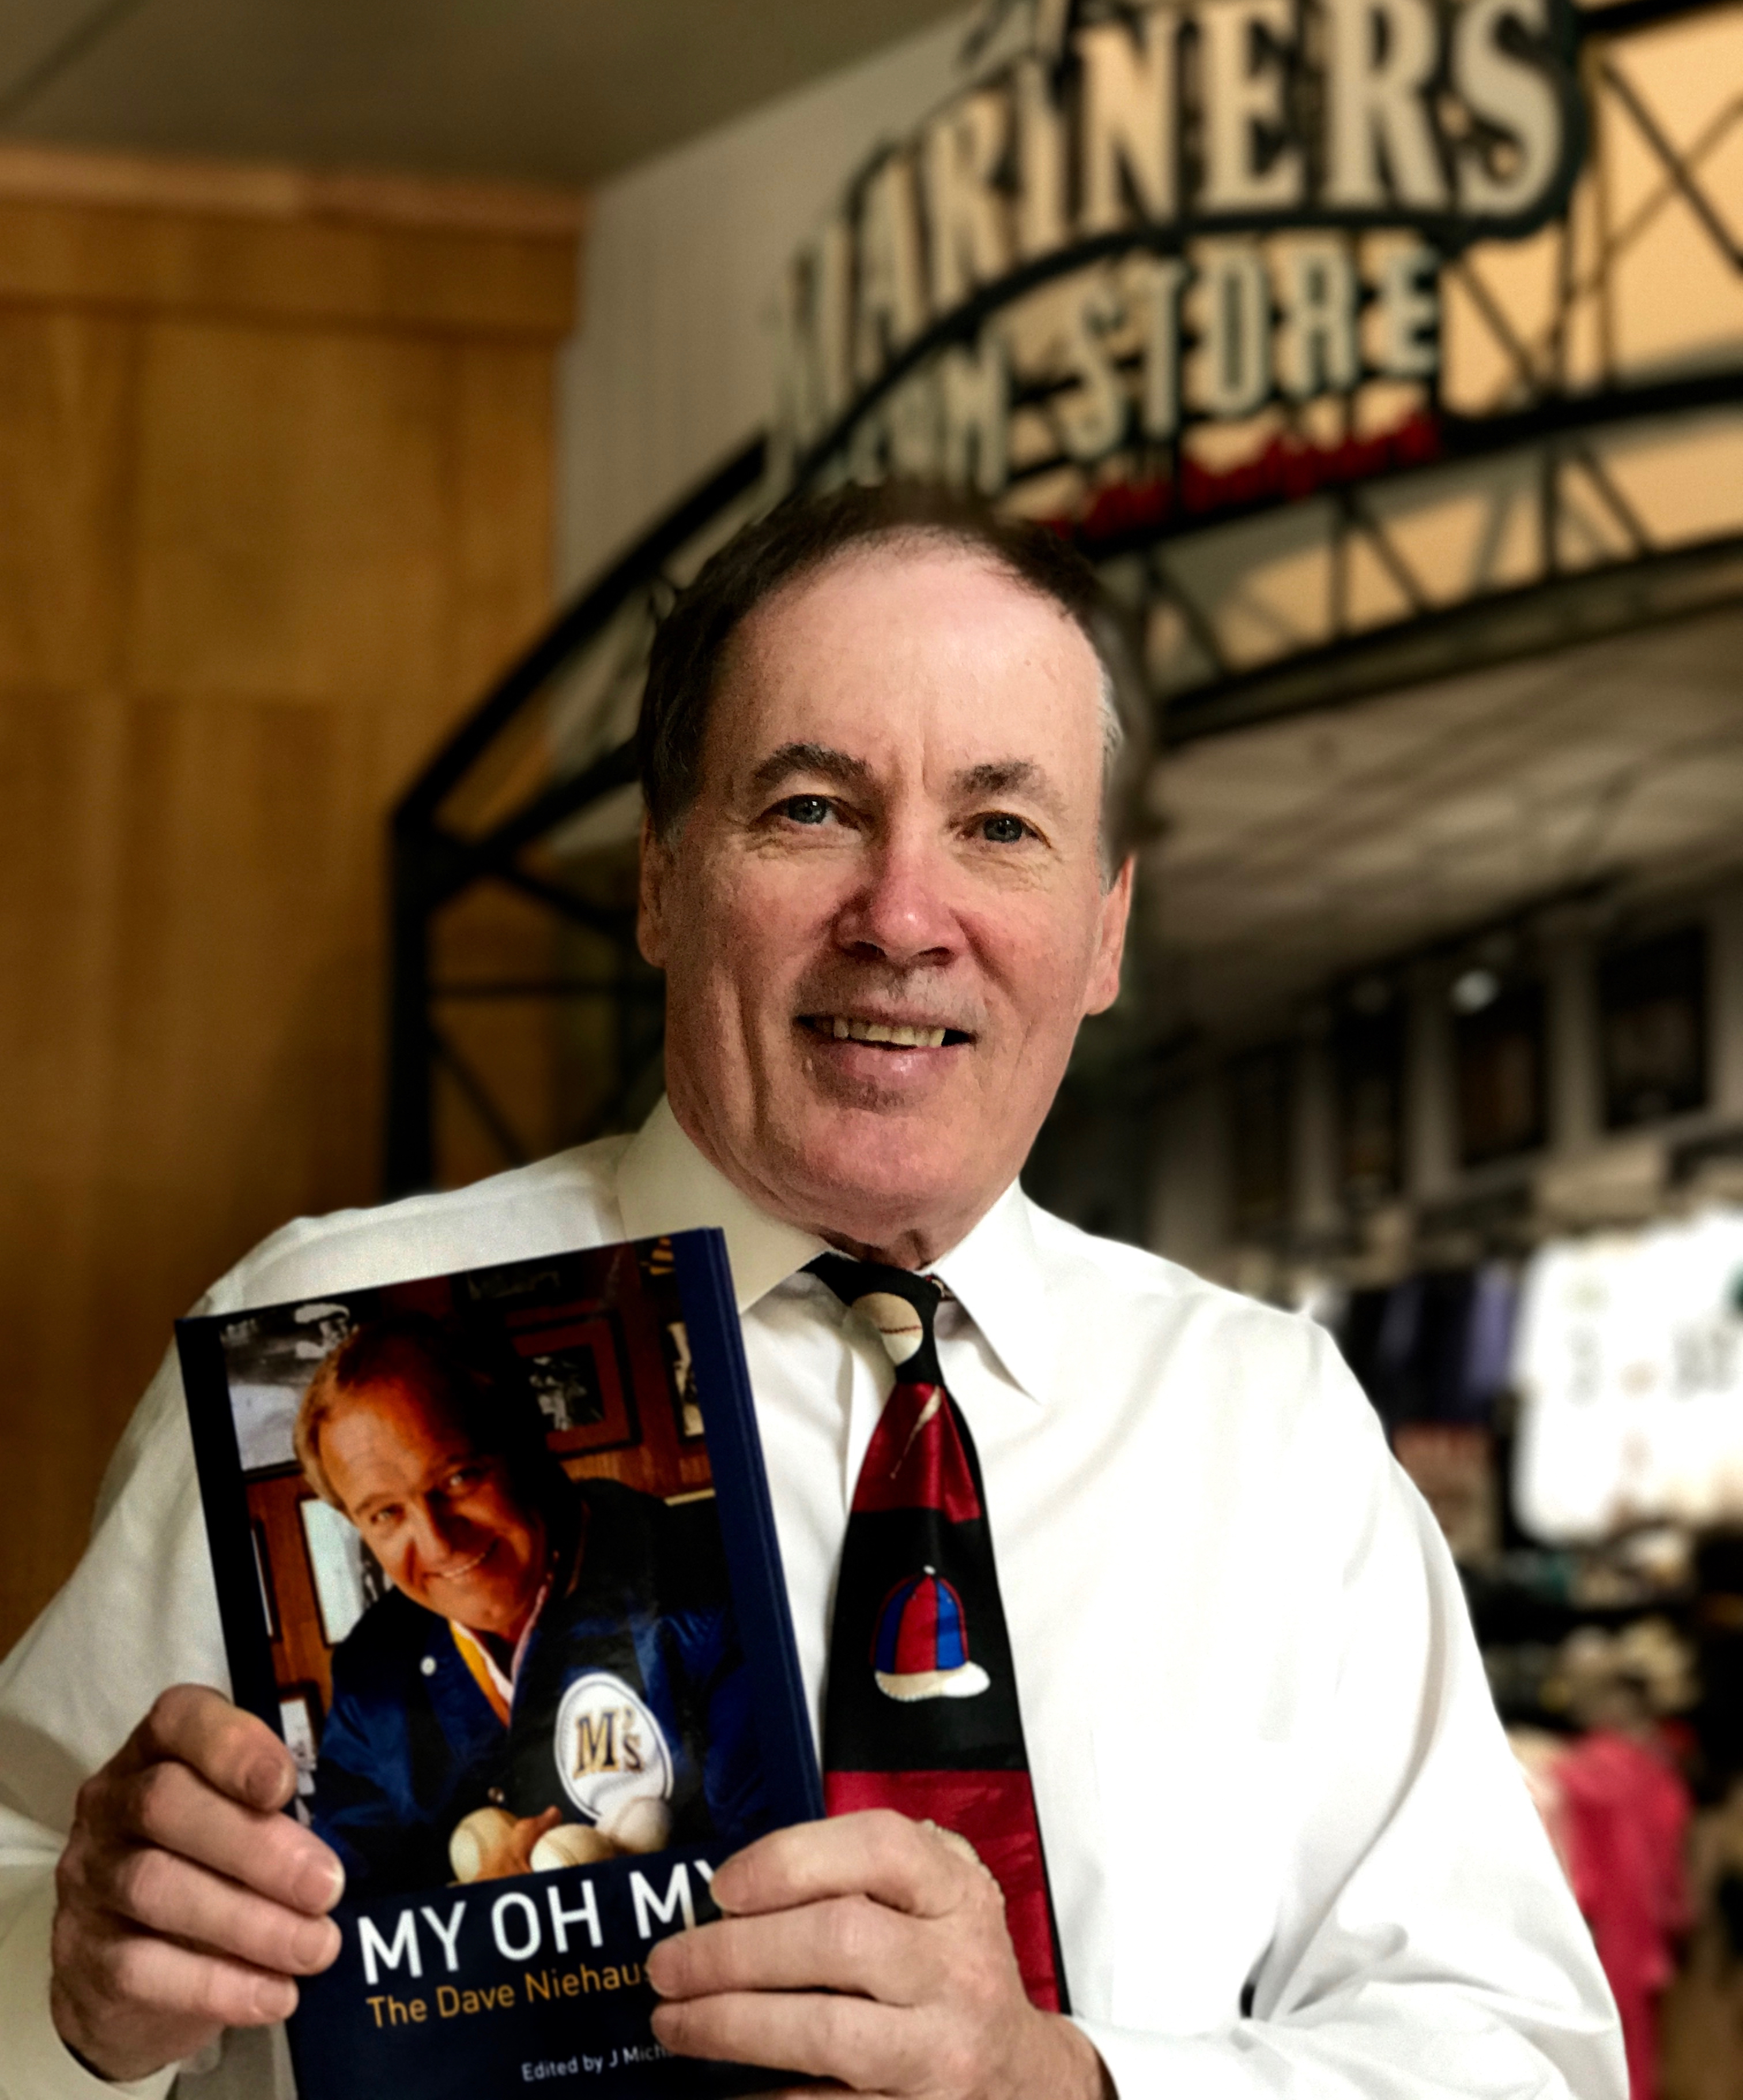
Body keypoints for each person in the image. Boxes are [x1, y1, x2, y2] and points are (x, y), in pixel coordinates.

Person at [0, 483, 1623, 2100]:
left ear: (1106, 928)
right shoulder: (330, 1331)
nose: (904, 920)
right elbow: (27, 1889)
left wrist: (1057, 2084)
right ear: (658, 875)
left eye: (1000, 826)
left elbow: (1516, 2059)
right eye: (811, 810)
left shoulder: (1269, 1430)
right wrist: (73, 1990)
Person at [292, 1314, 768, 1894]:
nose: (440, 1543)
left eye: (461, 1477)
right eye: (386, 1514)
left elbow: (771, 1868)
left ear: (527, 1437)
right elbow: (342, 1914)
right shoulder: (374, 1671)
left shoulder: (707, 1582)